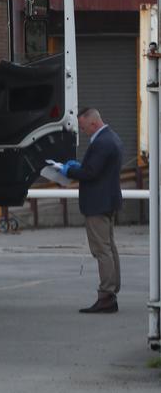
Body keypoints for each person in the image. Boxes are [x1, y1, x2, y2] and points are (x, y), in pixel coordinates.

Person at [59, 108, 123, 314]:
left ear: (93, 123)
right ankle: (112, 291)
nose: (83, 130)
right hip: (107, 201)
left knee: (101, 250)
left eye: (84, 126)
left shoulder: (102, 142)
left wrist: (68, 170)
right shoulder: (112, 138)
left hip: (98, 204)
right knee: (109, 248)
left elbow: (90, 172)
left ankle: (106, 296)